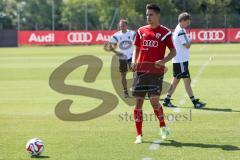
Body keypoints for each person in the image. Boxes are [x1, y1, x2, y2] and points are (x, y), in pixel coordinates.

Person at [131, 4, 176, 144]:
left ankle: (162, 126)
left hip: (156, 73)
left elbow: (173, 51)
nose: (148, 17)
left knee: (154, 102)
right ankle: (139, 135)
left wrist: (163, 61)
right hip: (141, 72)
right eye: (147, 15)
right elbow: (136, 49)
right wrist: (133, 61)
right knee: (138, 104)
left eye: (150, 14)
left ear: (157, 15)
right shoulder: (141, 31)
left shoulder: (165, 32)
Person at [163, 12, 206, 108]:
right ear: (182, 21)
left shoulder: (180, 29)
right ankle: (195, 102)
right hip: (181, 61)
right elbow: (187, 45)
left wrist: (188, 40)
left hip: (180, 60)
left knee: (177, 81)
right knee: (187, 81)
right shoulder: (180, 31)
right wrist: (190, 40)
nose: (188, 24)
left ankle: (167, 100)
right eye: (187, 22)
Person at [108, 19, 136, 98]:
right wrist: (117, 52)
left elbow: (139, 43)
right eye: (120, 26)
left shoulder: (132, 33)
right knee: (123, 75)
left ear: (126, 26)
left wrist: (136, 52)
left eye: (123, 25)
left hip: (132, 57)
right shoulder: (116, 35)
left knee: (135, 74)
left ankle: (135, 90)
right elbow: (110, 46)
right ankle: (125, 92)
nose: (122, 27)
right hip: (122, 58)